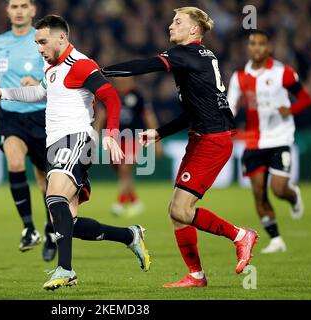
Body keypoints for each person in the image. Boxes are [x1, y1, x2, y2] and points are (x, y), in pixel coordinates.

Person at [0, 15, 150, 291]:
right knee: (64, 221)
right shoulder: (51, 69)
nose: (39, 49)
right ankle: (129, 235)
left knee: (54, 195)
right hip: (56, 145)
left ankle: (65, 269)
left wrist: (111, 134)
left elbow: (111, 97)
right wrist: (2, 92)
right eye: (36, 43)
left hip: (76, 140)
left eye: (43, 42)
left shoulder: (80, 64)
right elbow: (39, 93)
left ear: (62, 38)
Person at [102, 6, 259, 288]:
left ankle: (240, 235)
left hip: (212, 140)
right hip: (202, 136)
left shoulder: (186, 54)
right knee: (176, 211)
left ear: (194, 30)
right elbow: (195, 110)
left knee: (182, 210)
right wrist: (161, 133)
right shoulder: (200, 57)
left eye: (178, 22)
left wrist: (101, 73)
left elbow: (147, 65)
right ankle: (196, 275)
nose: (171, 26)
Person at [0, 0, 57, 261]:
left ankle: (51, 230)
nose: (18, 10)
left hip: (42, 115)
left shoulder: (43, 39)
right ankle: (29, 228)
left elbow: (57, 71)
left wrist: (38, 83)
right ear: (7, 11)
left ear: (33, 10)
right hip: (10, 117)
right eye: (13, 6)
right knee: (15, 161)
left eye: (23, 5)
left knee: (45, 181)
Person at [227, 30, 311, 254]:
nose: (256, 48)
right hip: (253, 142)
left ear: (269, 48)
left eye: (261, 44)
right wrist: (226, 123)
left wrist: (290, 109)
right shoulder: (239, 77)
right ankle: (276, 239)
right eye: (252, 43)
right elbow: (231, 107)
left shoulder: (282, 72)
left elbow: (305, 98)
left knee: (278, 189)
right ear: (248, 47)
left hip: (279, 138)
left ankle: (292, 196)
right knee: (258, 193)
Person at [96, 77, 163, 217]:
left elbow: (148, 117)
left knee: (125, 168)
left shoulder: (138, 95)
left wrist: (158, 140)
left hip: (133, 137)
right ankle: (135, 202)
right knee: (122, 172)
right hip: (114, 138)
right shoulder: (110, 94)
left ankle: (119, 204)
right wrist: (94, 135)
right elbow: (101, 116)